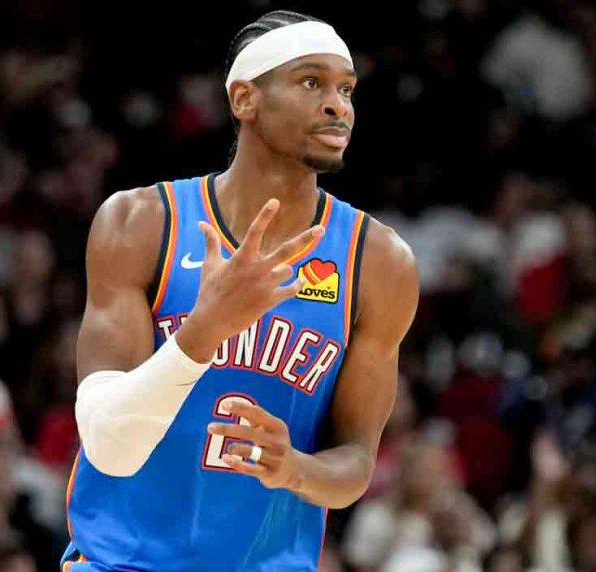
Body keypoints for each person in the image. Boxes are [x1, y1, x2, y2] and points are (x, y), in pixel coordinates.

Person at [64, 10, 419, 571]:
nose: (338, 106)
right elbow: (110, 447)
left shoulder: (378, 262)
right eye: (312, 83)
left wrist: (295, 469)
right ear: (245, 99)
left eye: (346, 89)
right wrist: (204, 331)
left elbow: (355, 463)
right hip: (121, 561)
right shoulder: (141, 223)